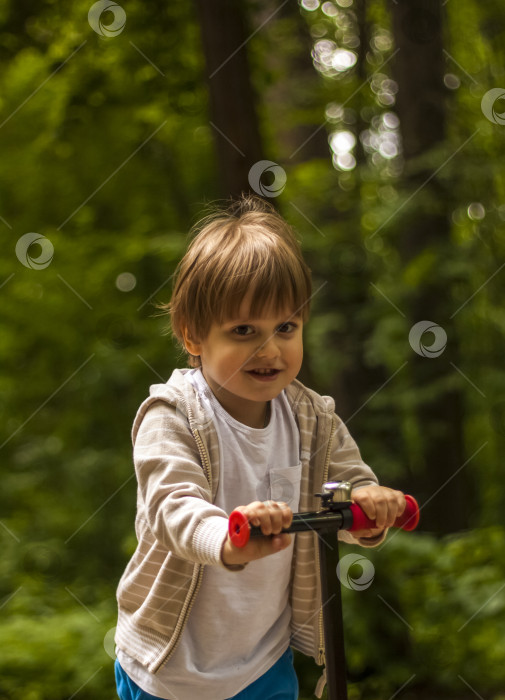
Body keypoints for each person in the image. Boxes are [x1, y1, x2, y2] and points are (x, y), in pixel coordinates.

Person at [114, 194, 406, 700]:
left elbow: (347, 486)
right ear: (193, 335)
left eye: (285, 328)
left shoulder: (312, 417)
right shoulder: (172, 416)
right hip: (171, 670)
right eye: (244, 331)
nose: (269, 349)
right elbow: (172, 508)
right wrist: (229, 539)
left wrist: (368, 503)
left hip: (264, 664)